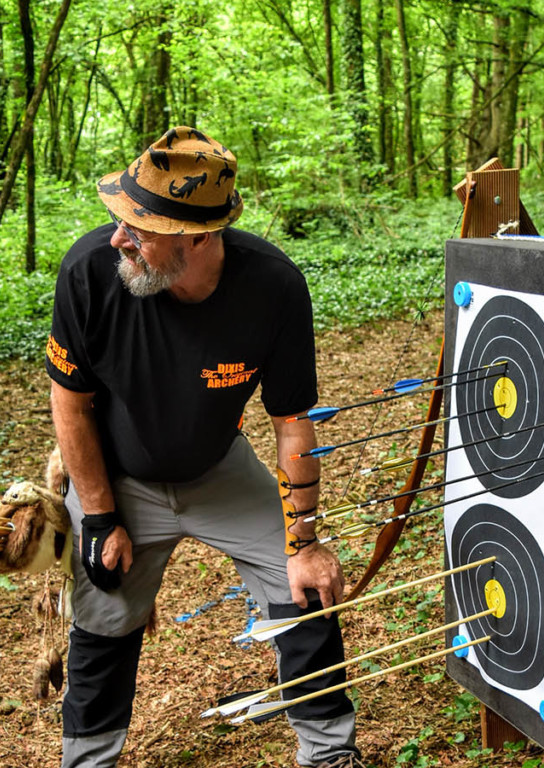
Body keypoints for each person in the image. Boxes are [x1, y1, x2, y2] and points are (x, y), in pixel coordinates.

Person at [45, 127, 362, 768]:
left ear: (196, 237)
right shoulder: (89, 273)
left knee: (306, 591)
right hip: (119, 475)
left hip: (219, 468)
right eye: (121, 220)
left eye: (139, 229)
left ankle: (330, 754)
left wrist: (305, 542)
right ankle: (87, 761)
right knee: (102, 612)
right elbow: (70, 403)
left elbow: (291, 422)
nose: (118, 238)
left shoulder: (272, 286)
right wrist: (99, 516)